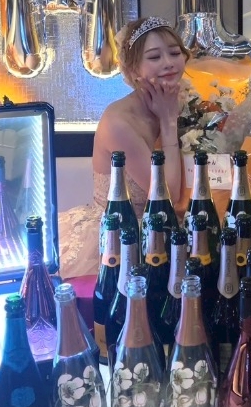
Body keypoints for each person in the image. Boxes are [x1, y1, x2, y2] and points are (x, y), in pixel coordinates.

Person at [59, 16, 190, 278]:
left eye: (175, 53)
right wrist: (168, 123)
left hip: (172, 226)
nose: (168, 62)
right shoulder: (119, 123)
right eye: (154, 57)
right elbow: (169, 197)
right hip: (123, 237)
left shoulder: (181, 98)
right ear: (133, 70)